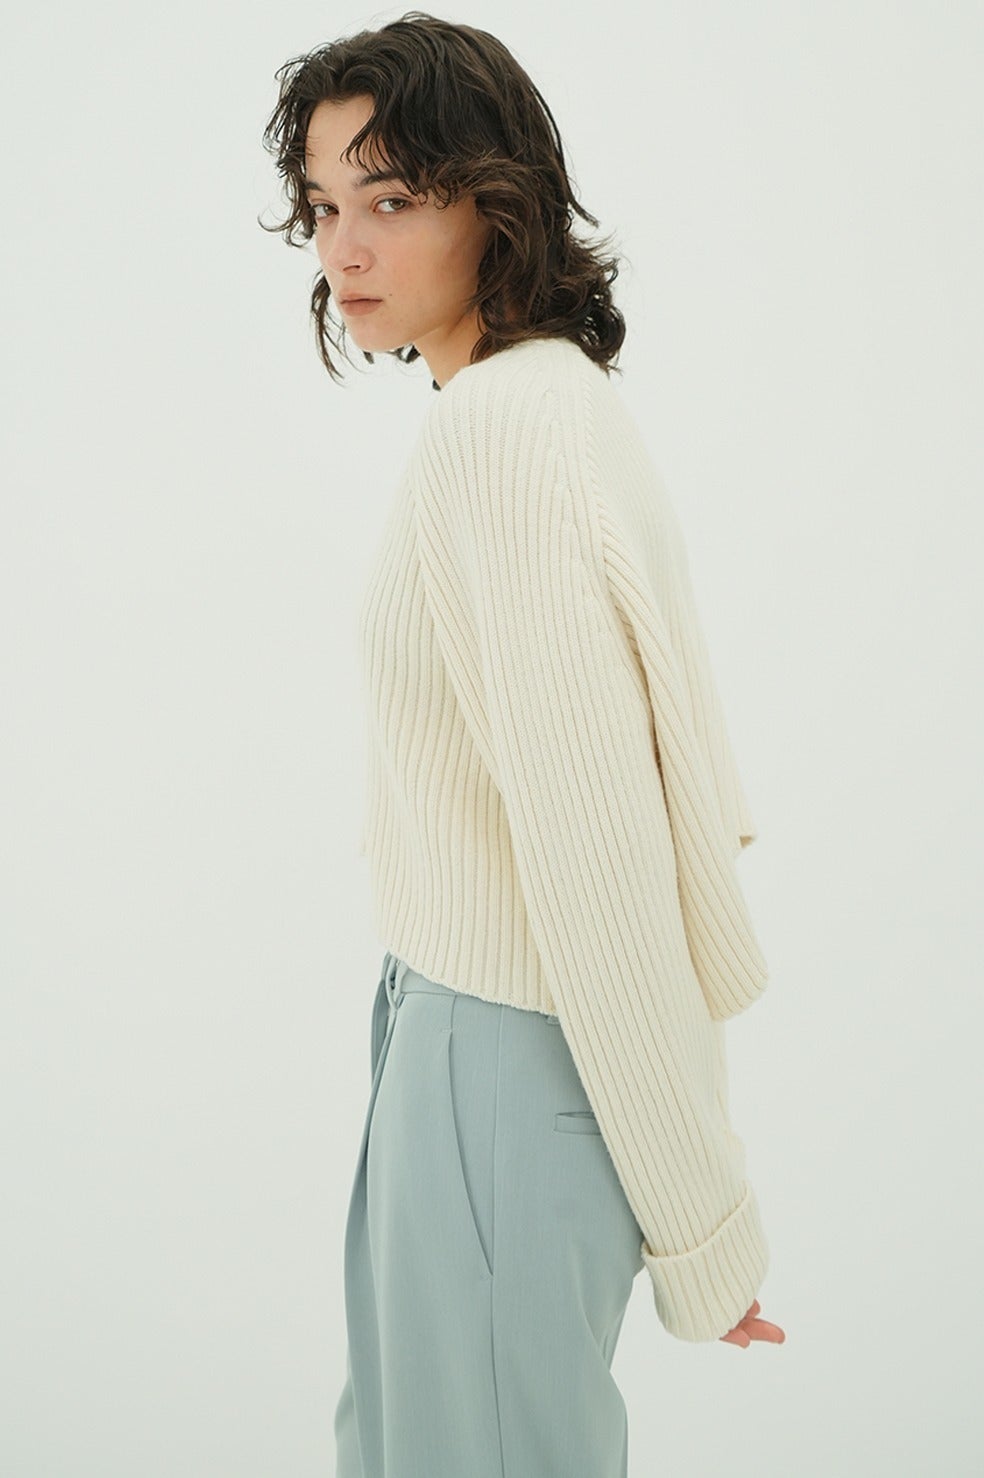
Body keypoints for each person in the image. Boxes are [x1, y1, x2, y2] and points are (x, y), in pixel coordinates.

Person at [261, 12, 786, 1476]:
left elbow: (600, 856)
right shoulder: (544, 409)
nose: (345, 249)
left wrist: (701, 1218)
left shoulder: (502, 435)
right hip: (466, 1044)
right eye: (324, 206)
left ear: (494, 203)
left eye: (389, 197)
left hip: (498, 1053)